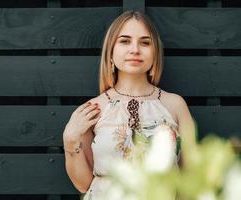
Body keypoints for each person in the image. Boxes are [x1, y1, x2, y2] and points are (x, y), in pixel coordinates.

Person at [63, 10, 196, 200]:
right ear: (110, 52)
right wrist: (70, 140)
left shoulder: (174, 105)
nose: (135, 49)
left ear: (155, 53)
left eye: (145, 42)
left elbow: (190, 176)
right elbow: (83, 184)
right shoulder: (93, 109)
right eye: (124, 41)